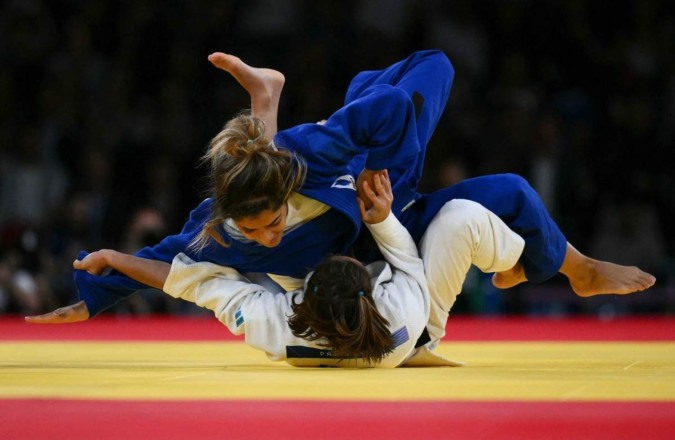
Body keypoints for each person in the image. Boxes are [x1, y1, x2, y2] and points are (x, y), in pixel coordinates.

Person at [25, 50, 655, 324]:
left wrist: (381, 170)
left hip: (385, 183)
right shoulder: (220, 230)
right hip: (381, 246)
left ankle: (274, 97)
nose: (269, 237)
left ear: (283, 183)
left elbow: (388, 109)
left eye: (272, 221)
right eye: (260, 231)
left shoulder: (307, 153)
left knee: (428, 70)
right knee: (512, 191)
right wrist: (93, 295)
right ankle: (578, 268)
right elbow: (167, 260)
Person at [65, 172, 525, 367]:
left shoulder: (276, 324)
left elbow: (188, 280)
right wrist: (382, 217)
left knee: (270, 247)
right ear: (371, 288)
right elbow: (406, 262)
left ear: (300, 299)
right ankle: (513, 262)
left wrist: (115, 259)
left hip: (368, 328)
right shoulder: (399, 308)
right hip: (423, 326)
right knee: (460, 218)